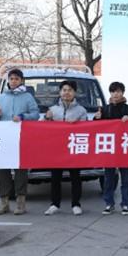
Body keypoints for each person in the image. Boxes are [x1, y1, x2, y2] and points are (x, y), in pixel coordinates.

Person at [0, 68, 40, 215]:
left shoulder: (27, 97)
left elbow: (36, 114)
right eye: (11, 79)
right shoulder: (1, 97)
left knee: (21, 171)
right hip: (4, 138)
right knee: (2, 172)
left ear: (21, 81)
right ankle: (4, 203)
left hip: (21, 138)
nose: (13, 81)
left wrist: (23, 117)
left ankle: (20, 203)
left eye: (16, 79)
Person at [43, 80, 88, 215]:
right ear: (60, 92)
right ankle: (54, 204)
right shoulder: (53, 109)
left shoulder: (81, 110)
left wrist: (77, 125)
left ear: (74, 93)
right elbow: (42, 127)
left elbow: (87, 129)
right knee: (55, 177)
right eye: (64, 90)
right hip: (57, 149)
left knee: (75, 177)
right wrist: (46, 118)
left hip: (73, 147)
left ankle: (76, 204)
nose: (66, 92)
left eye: (69, 90)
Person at [94, 81, 128, 216]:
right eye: (113, 91)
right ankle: (109, 203)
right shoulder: (105, 109)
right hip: (109, 149)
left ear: (122, 93)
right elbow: (96, 128)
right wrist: (96, 118)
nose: (115, 94)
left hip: (125, 148)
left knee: (126, 179)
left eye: (118, 91)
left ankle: (126, 204)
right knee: (108, 178)